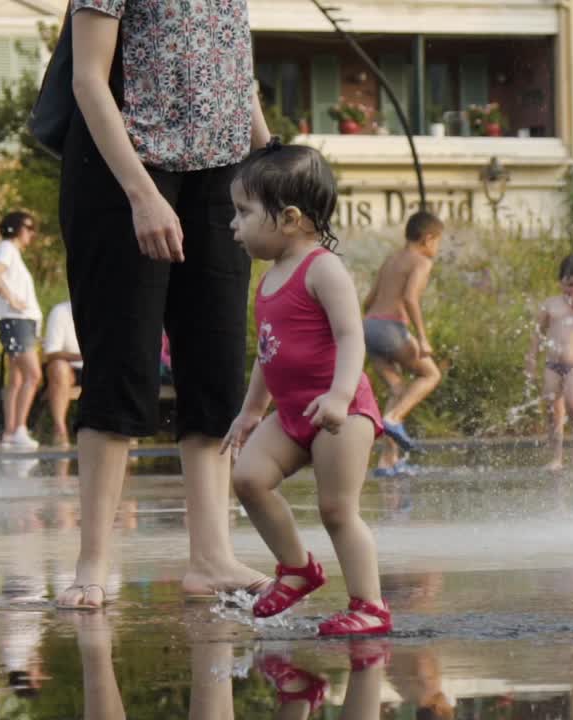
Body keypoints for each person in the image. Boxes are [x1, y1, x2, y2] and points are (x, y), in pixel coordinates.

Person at [55, 0, 273, 609]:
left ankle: (211, 556)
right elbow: (87, 78)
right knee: (121, 362)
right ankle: (92, 561)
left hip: (222, 173)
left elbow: (235, 70)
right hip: (122, 171)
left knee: (215, 365)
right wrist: (142, 195)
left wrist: (270, 156)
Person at [222, 143, 391, 636]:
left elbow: (350, 336)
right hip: (292, 410)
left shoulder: (323, 269)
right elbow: (268, 353)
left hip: (341, 410)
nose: (235, 224)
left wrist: (339, 396)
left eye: (244, 212)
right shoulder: (269, 279)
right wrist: (252, 411)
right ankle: (296, 567)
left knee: (337, 509)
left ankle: (370, 606)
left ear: (290, 217)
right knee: (248, 478)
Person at [363, 211, 444, 474]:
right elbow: (410, 298)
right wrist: (421, 337)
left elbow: (369, 299)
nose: (437, 248)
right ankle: (394, 418)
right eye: (438, 242)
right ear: (428, 238)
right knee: (431, 374)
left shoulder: (391, 259)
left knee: (398, 391)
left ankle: (388, 461)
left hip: (369, 327)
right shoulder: (420, 261)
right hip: (390, 327)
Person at [525, 255, 573, 470]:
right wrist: (531, 358)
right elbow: (537, 333)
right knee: (551, 406)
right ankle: (556, 456)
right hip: (552, 364)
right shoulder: (551, 304)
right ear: (561, 282)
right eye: (571, 285)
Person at [0, 211, 43, 451]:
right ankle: (19, 428)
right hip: (16, 320)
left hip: (19, 321)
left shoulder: (11, 252)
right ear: (17, 229)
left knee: (17, 378)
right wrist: (13, 300)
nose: (31, 233)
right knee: (33, 375)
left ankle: (11, 431)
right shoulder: (7, 248)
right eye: (28, 228)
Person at [42, 299, 83, 450]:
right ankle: (60, 430)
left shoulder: (107, 312)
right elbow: (51, 353)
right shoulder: (60, 312)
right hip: (70, 368)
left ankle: (122, 430)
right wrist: (82, 356)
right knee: (58, 368)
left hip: (98, 367)